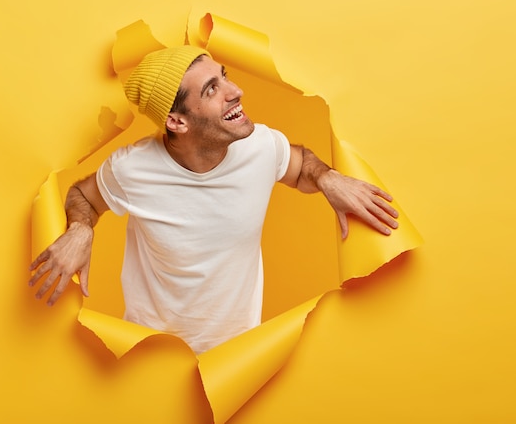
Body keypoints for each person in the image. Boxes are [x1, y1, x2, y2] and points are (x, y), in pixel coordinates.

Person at [29, 45, 398, 354]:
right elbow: (84, 196)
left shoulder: (261, 147)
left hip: (236, 363)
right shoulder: (133, 169)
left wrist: (327, 177)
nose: (235, 91)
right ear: (177, 122)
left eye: (224, 76)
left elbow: (300, 164)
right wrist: (80, 227)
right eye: (211, 89)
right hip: (150, 363)